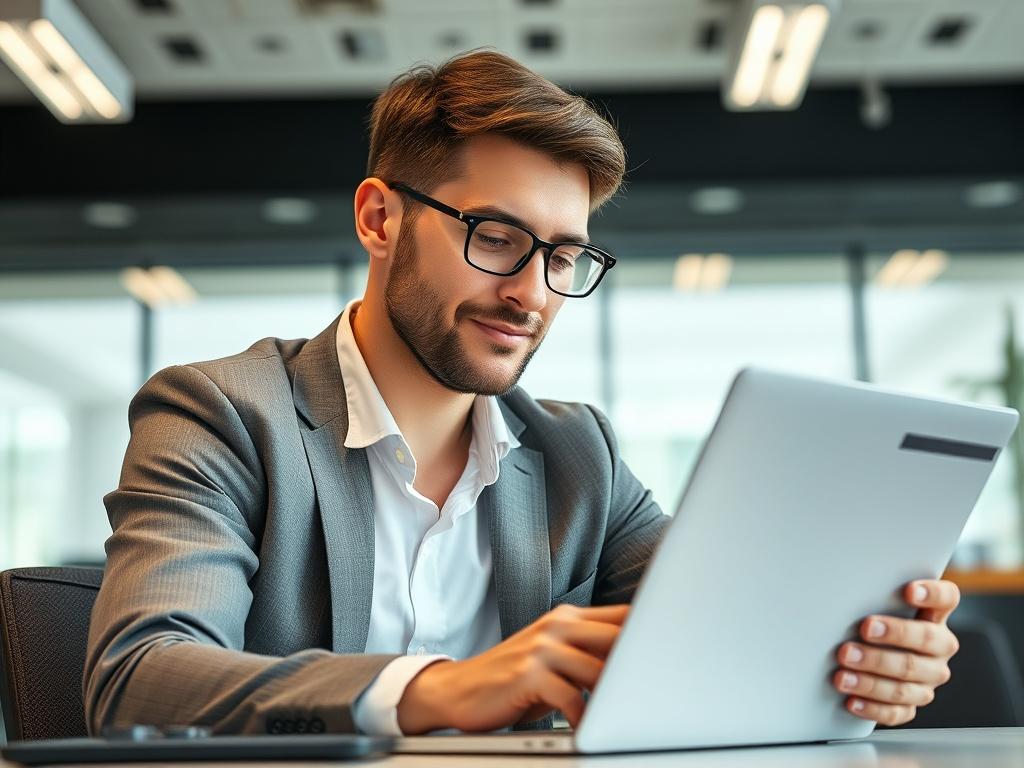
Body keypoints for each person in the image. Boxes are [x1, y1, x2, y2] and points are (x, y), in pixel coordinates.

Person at [84, 50, 961, 738]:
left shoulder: (583, 456)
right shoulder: (221, 415)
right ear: (380, 219)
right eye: (497, 237)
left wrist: (861, 660)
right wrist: (442, 688)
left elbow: (722, 635)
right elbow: (140, 677)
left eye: (564, 256)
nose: (535, 292)